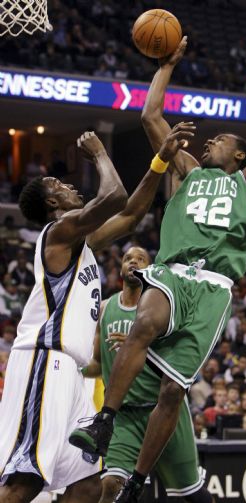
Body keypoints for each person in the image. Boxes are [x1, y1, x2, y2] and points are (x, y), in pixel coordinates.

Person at [70, 37, 246, 502]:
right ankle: (104, 420)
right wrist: (167, 67)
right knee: (146, 323)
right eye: (209, 140)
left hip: (214, 287)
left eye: (221, 141)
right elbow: (151, 115)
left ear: (239, 155)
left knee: (174, 392)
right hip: (173, 270)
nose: (210, 141)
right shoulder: (187, 169)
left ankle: (137, 480)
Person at [0, 124, 191, 503]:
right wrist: (101, 153)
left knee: (86, 485)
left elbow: (133, 213)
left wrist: (160, 161)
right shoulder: (59, 232)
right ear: (52, 204)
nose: (70, 186)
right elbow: (115, 195)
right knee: (26, 481)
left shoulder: (80, 242)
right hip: (45, 361)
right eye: (59, 185)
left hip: (72, 374)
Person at [83, 246, 211, 503]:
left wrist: (136, 346)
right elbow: (97, 364)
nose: (134, 262)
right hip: (125, 414)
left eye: (141, 259)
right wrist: (71, 368)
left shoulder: (162, 308)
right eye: (128, 258)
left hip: (162, 409)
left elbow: (179, 357)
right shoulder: (106, 308)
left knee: (193, 495)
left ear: (150, 269)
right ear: (120, 268)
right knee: (111, 485)